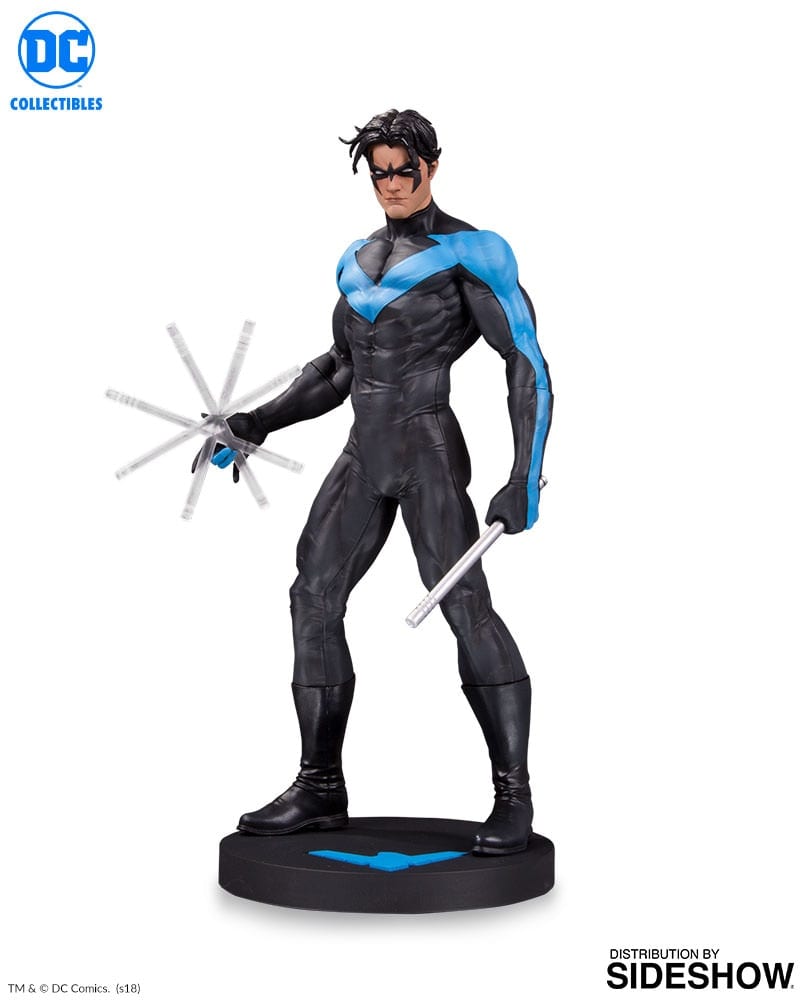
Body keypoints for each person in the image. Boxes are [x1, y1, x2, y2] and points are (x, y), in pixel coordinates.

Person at [211, 109, 552, 855]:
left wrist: (523, 475)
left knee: (465, 607)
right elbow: (340, 367)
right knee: (311, 596)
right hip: (363, 453)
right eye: (380, 174)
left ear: (431, 167)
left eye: (405, 171)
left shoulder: (473, 252)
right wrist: (258, 421)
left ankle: (513, 797)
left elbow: (525, 361)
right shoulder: (356, 258)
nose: (392, 185)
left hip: (427, 450)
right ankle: (319, 787)